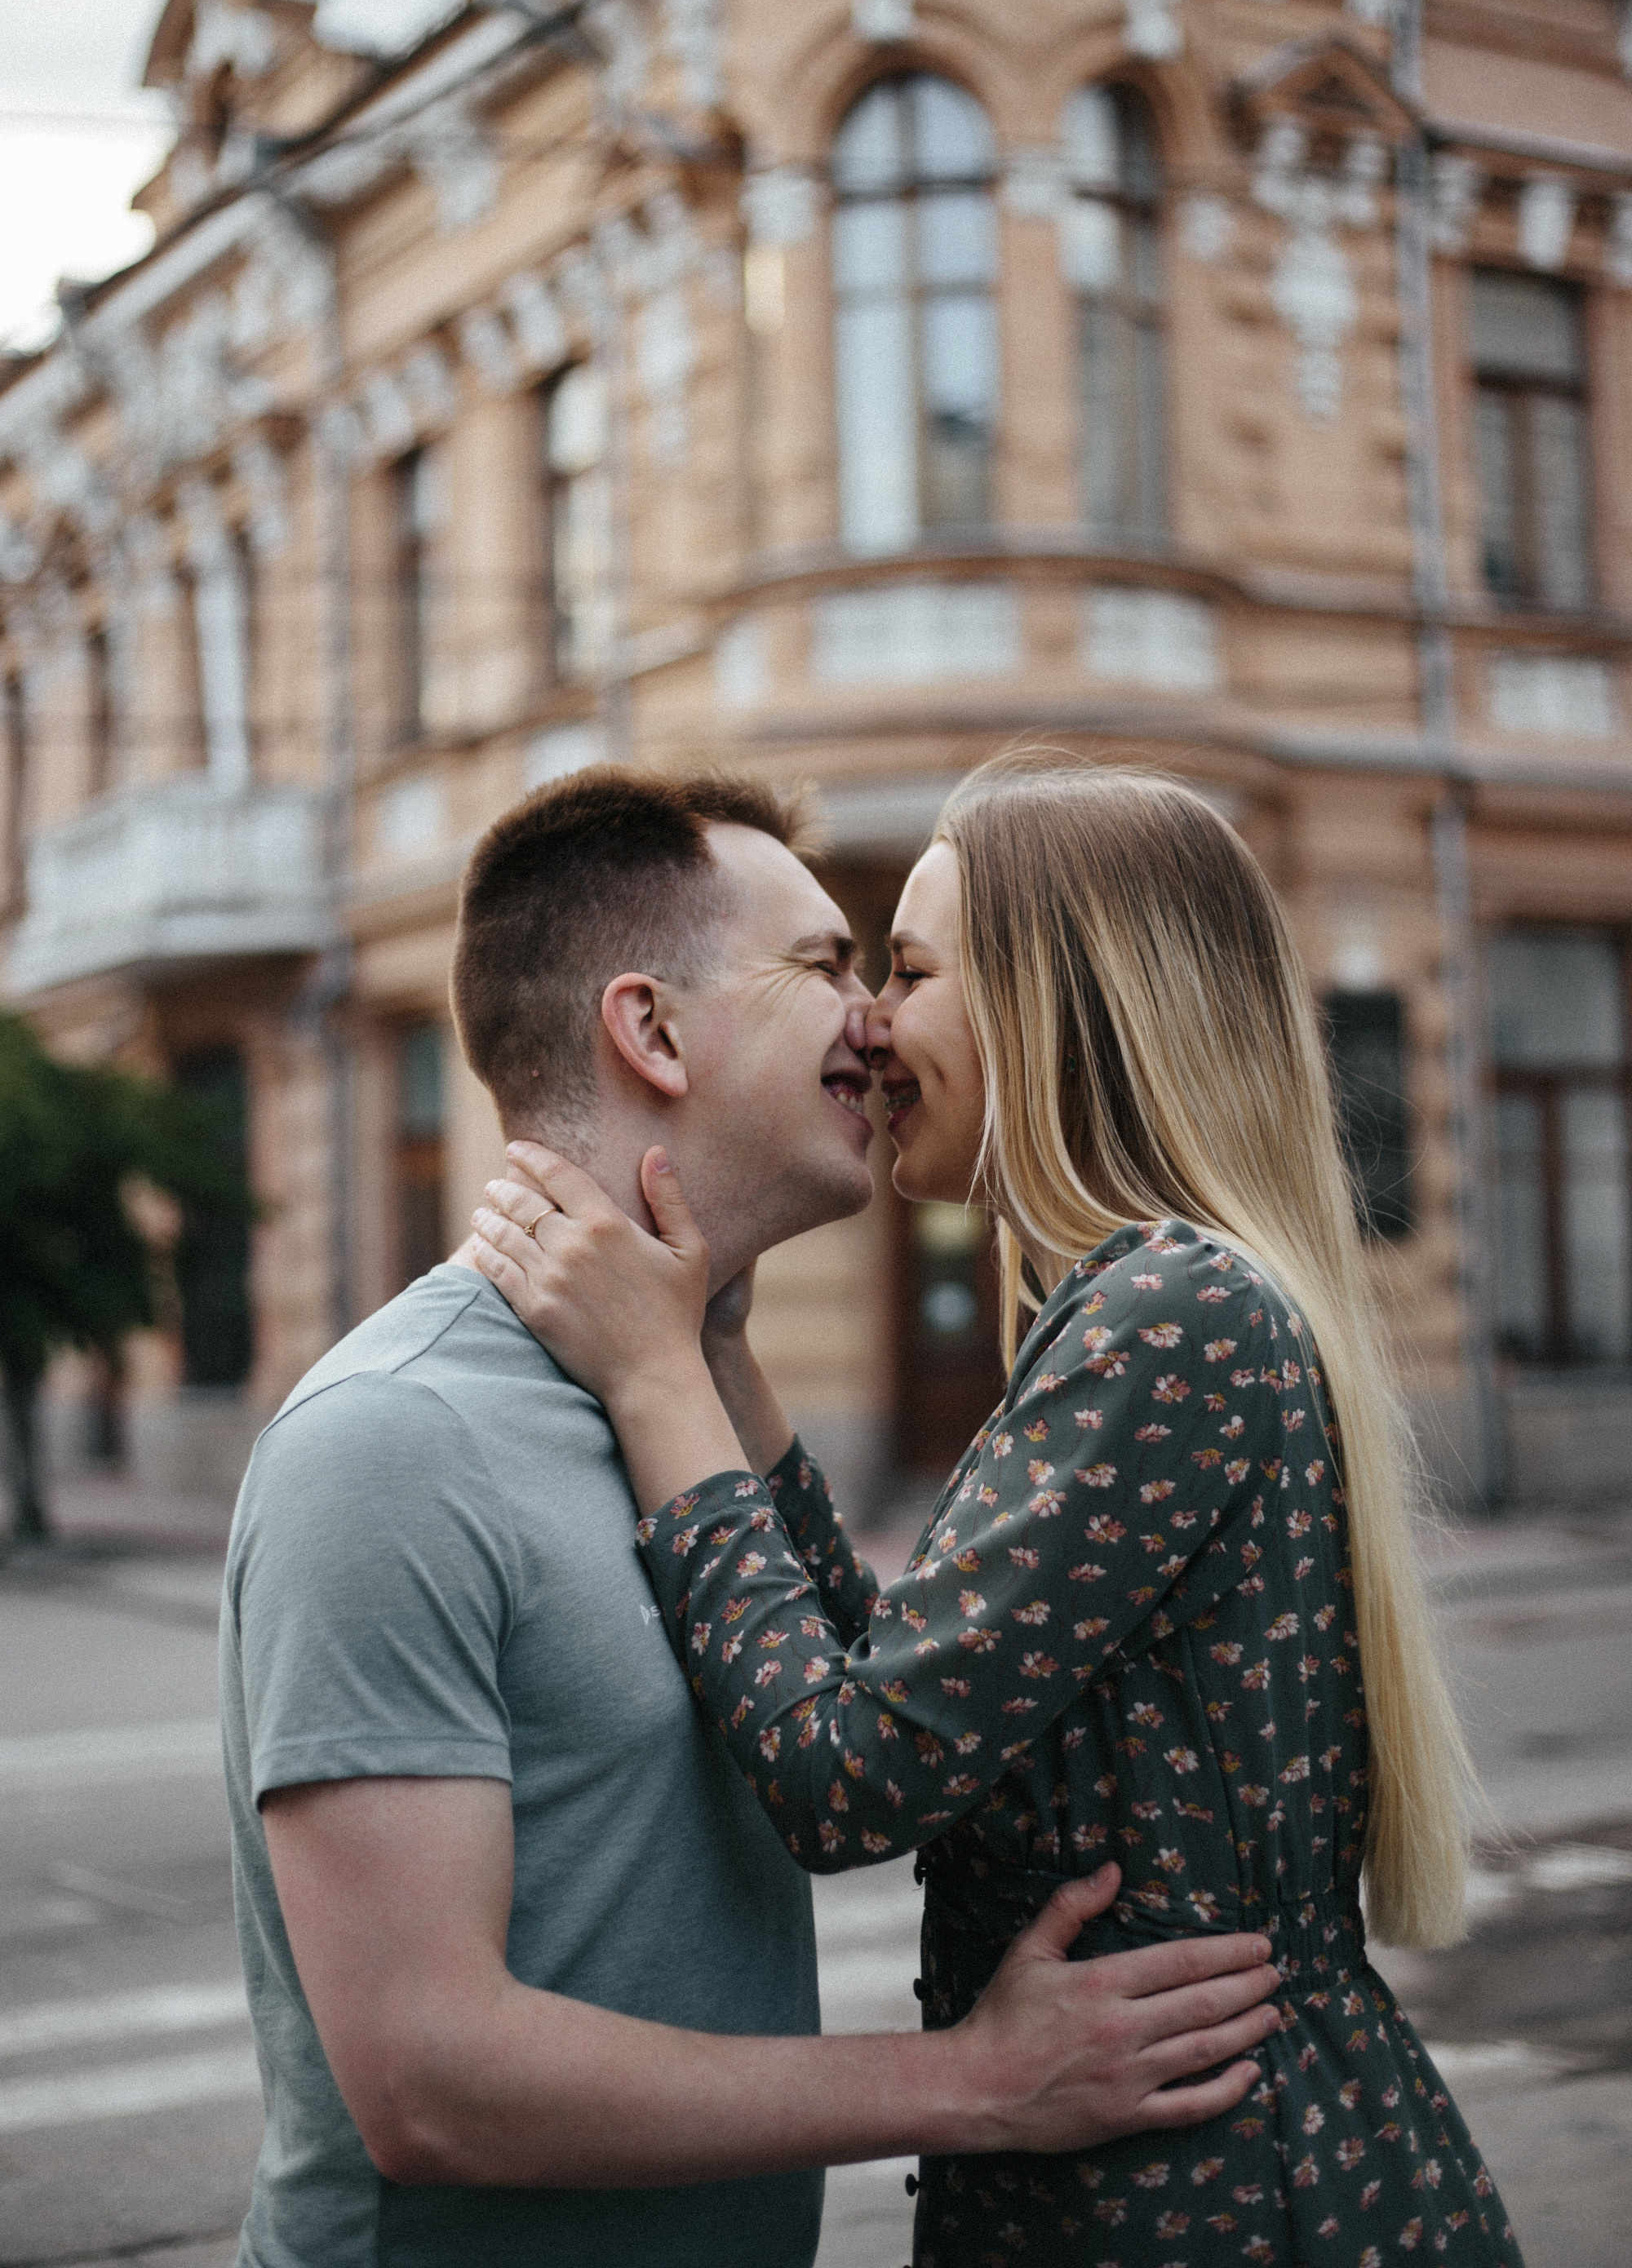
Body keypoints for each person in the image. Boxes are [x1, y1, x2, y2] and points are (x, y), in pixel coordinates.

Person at [220, 764, 1282, 2268]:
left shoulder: (688, 1408)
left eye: (895, 972)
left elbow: (875, 1732)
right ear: (649, 1028)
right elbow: (428, 2085)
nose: (877, 1021)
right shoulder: (395, 1440)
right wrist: (970, 2085)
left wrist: (705, 1350)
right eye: (834, 966)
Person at [471, 755, 1525, 2266]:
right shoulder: (1160, 1297)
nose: (874, 1026)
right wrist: (718, 1355)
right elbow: (914, 1693)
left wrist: (652, 1385)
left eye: (905, 971)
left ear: (1058, 1003)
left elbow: (851, 1776)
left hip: (1207, 2197)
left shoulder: (1168, 1310)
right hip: (1204, 2168)